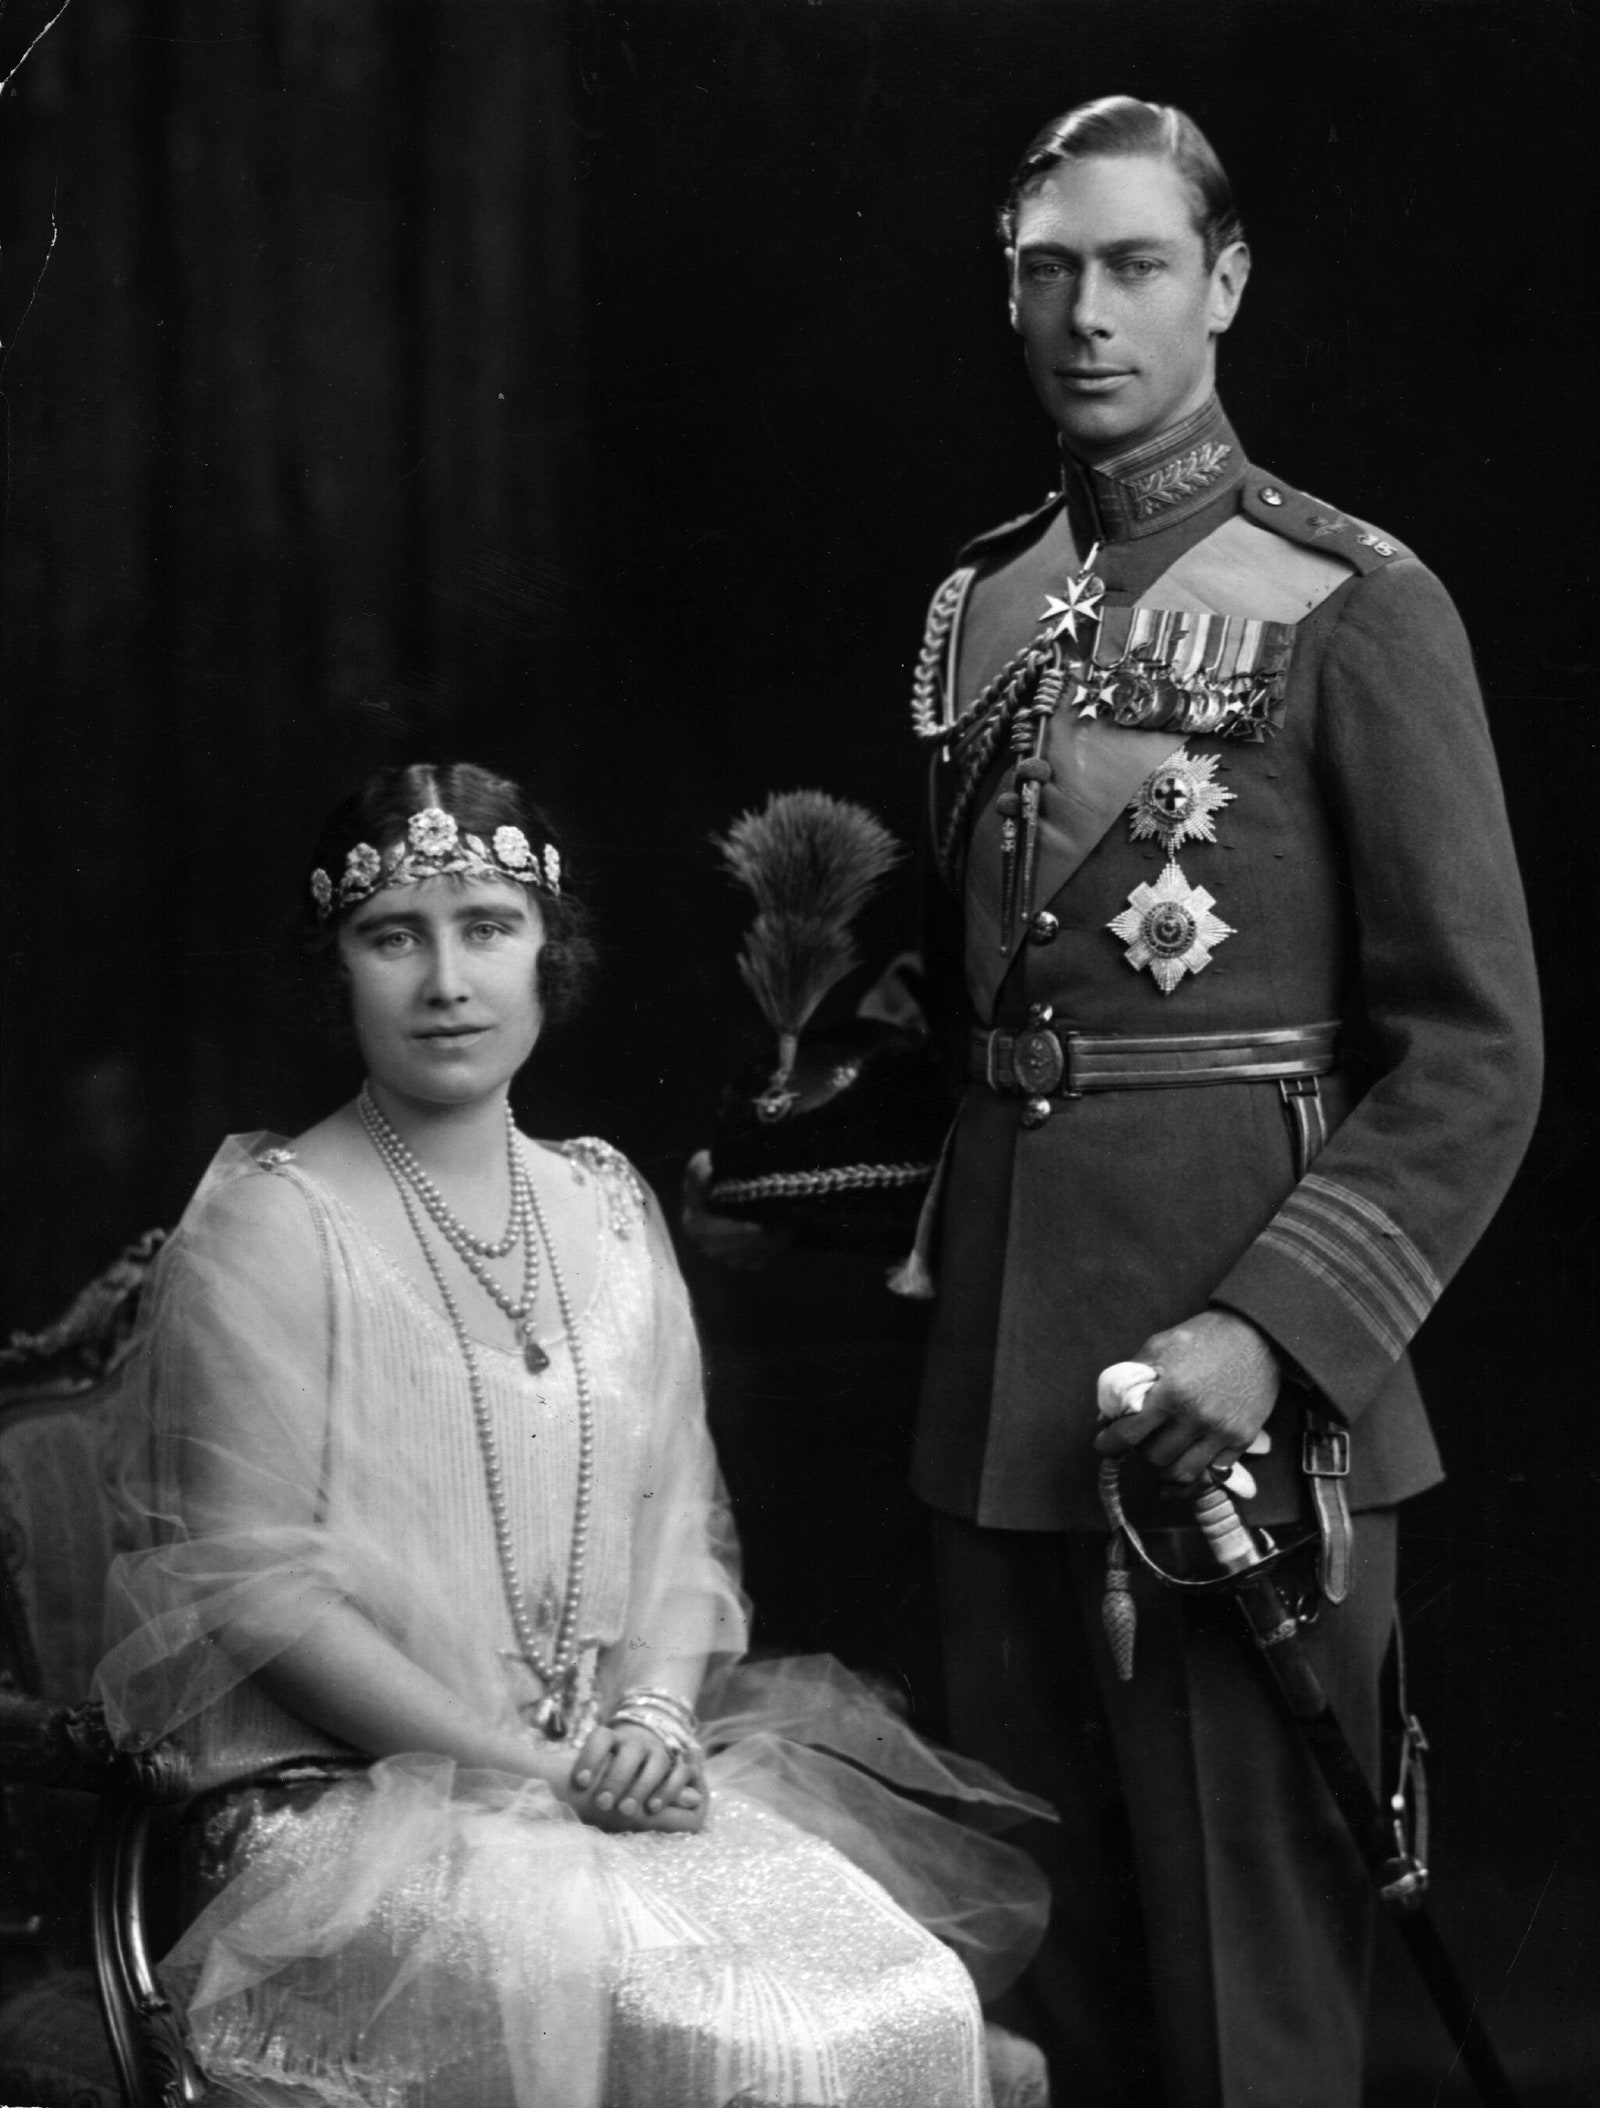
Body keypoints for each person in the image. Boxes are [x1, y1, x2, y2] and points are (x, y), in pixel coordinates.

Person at [896, 97, 1541, 2106]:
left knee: (1243, 2006)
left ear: (1224, 282)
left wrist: (1272, 1339)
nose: (1082, 315)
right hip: (1001, 1392)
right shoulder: (978, 609)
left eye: (1134, 265)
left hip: (1245, 1405)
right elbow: (1005, 1002)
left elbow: (1475, 1045)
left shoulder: (1350, 603)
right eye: (1043, 271)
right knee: (1034, 1983)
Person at [92, 762, 1052, 2108]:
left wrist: (655, 1716)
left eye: (488, 927)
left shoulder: (605, 1206)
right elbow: (267, 1597)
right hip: (344, 1820)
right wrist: (535, 1771)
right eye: (393, 937)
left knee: (902, 2001)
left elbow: (680, 1528)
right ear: (339, 968)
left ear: (552, 954)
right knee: (726, 2033)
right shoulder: (275, 1219)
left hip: (596, 1781)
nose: (445, 981)